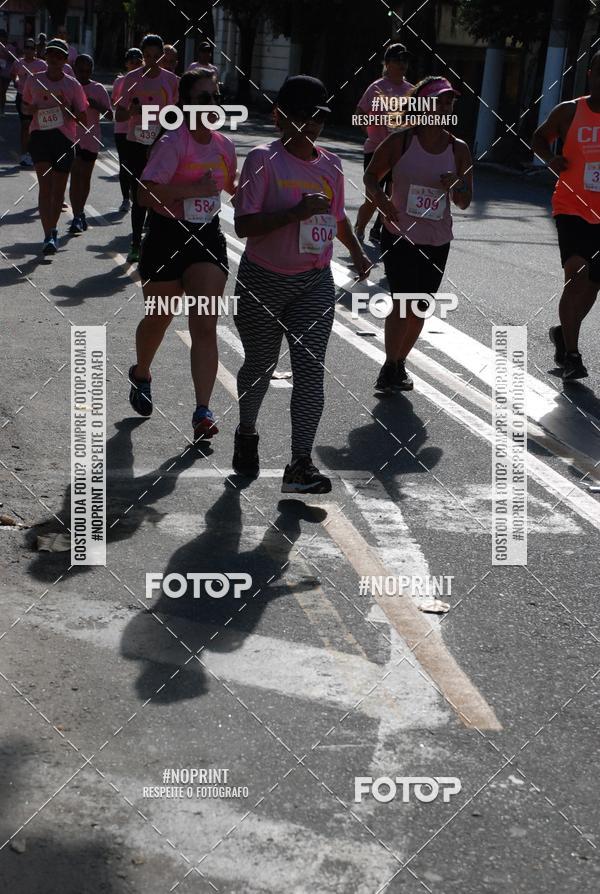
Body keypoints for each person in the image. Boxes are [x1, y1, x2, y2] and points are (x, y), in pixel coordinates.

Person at [232, 75, 370, 493]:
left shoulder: (330, 164)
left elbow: (337, 218)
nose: (310, 127)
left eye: (318, 120)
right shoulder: (261, 159)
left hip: (314, 281)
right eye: (302, 118)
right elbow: (242, 225)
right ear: (280, 118)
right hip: (263, 280)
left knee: (310, 371)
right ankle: (247, 430)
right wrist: (294, 213)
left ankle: (299, 464)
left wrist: (358, 252)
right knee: (260, 365)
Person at [127, 69, 237, 442]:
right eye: (203, 97)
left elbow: (234, 191)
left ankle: (203, 410)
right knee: (159, 318)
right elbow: (144, 194)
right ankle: (142, 373)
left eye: (215, 96)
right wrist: (192, 189)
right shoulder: (173, 142)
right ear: (187, 103)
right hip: (166, 236)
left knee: (204, 324)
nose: (211, 104)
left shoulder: (224, 146)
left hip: (206, 237)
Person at [364, 76, 473, 393]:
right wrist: (381, 199)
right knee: (403, 300)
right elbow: (372, 177)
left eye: (449, 101)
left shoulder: (459, 149)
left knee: (421, 305)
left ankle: (399, 362)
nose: (444, 106)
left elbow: (465, 201)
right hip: (400, 233)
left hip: (437, 237)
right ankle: (390, 365)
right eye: (439, 100)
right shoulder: (401, 141)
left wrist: (456, 185)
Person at [533, 50, 600, 381]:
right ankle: (572, 356)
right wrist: (550, 159)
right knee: (578, 274)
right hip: (571, 205)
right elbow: (539, 137)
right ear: (591, 74)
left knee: (592, 286)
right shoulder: (571, 111)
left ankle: (563, 333)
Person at [115, 33, 179, 263]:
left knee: (159, 194)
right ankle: (135, 242)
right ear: (142, 55)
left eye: (156, 56)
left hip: (162, 143)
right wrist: (131, 112)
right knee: (140, 195)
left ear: (162, 55)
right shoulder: (131, 78)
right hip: (136, 142)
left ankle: (155, 240)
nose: (151, 61)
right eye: (147, 56)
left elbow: (176, 115)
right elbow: (119, 113)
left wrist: (161, 121)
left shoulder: (172, 81)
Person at [21, 38, 88, 254]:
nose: (54, 59)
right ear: (45, 56)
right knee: (45, 186)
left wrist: (68, 110)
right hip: (40, 136)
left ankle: (54, 229)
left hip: (64, 139)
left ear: (65, 59)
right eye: (51, 55)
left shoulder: (73, 84)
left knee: (58, 190)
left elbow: (83, 119)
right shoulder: (34, 80)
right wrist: (31, 110)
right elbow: (25, 106)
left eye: (59, 56)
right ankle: (48, 234)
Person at [355, 43, 414, 243]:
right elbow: (359, 115)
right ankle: (360, 227)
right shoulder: (376, 87)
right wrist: (373, 130)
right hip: (376, 151)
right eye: (397, 60)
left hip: (400, 155)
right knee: (373, 198)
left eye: (404, 60)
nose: (402, 64)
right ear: (387, 63)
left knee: (394, 197)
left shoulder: (412, 91)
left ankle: (379, 230)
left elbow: (415, 122)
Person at [68, 54, 112, 234]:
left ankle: (80, 212)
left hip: (91, 139)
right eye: (80, 71)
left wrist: (96, 105)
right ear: (74, 70)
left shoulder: (98, 88)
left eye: (87, 71)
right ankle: (77, 216)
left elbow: (110, 115)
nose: (84, 74)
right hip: (71, 138)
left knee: (84, 178)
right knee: (75, 176)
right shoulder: (69, 86)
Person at [111, 47, 144, 212]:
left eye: (139, 62)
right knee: (124, 165)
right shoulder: (120, 81)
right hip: (123, 129)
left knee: (140, 166)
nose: (136, 65)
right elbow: (115, 103)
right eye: (132, 62)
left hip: (141, 128)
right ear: (126, 64)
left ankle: (139, 197)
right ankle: (125, 199)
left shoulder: (147, 81)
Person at [10, 37, 46, 165]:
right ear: (24, 49)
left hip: (38, 100)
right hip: (22, 98)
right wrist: (15, 81)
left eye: (31, 48)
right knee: (25, 126)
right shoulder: (18, 63)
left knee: (37, 127)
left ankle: (35, 153)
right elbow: (13, 73)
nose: (29, 50)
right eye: (27, 47)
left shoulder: (42, 64)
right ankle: (24, 154)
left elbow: (48, 78)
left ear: (35, 50)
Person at [0, 29, 18, 115]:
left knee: (3, 91)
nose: (1, 38)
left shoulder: (10, 47)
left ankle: (2, 108)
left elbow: (14, 59)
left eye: (2, 37)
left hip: (6, 73)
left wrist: (6, 54)